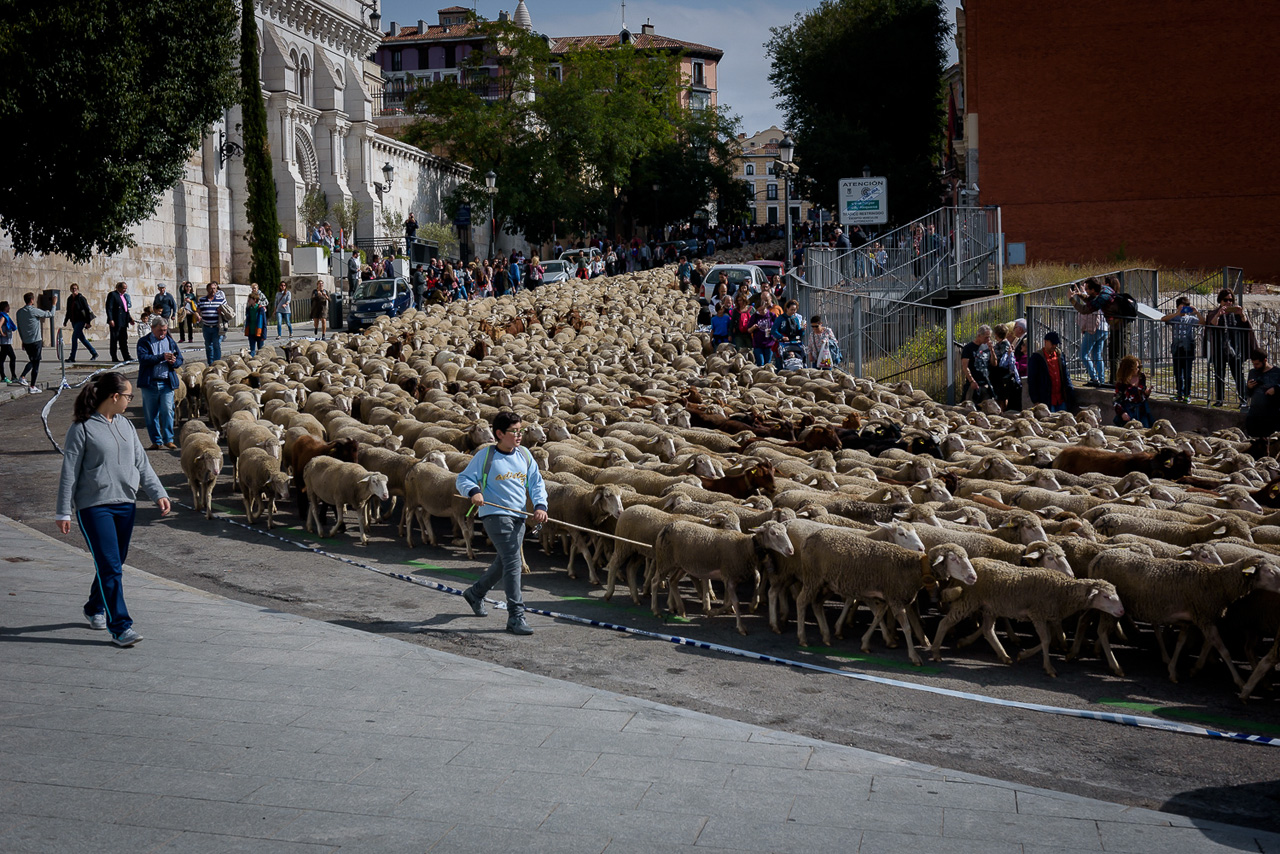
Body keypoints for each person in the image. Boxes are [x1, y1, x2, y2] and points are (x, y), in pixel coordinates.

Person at [55, 372, 170, 648]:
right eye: (128, 396)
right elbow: (69, 471)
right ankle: (120, 626)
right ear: (114, 397)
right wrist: (63, 511)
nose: (131, 401)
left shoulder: (127, 426)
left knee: (114, 563)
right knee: (110, 566)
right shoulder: (82, 428)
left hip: (125, 505)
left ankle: (94, 606)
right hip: (94, 507)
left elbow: (141, 464)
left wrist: (158, 493)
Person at [456, 412, 548, 636]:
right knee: (514, 562)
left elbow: (536, 482)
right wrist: (474, 491)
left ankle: (476, 593)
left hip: (518, 516)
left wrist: (540, 506)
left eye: (521, 431)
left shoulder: (525, 455)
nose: (519, 436)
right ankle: (516, 615)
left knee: (504, 561)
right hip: (494, 515)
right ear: (499, 434)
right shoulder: (485, 456)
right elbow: (463, 479)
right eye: (514, 432)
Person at [136, 315, 183, 449]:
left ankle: (168, 439)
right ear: (152, 328)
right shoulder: (144, 342)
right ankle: (156, 441)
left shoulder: (170, 341)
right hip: (150, 383)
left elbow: (180, 359)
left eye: (165, 330)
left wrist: (174, 362)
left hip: (166, 382)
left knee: (168, 410)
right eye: (160, 330)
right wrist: (161, 357)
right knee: (151, 414)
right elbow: (143, 359)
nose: (163, 333)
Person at [1203, 288, 1253, 407]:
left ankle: (1243, 400)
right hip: (1219, 349)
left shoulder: (1236, 314)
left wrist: (1241, 314)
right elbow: (1211, 325)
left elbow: (1246, 325)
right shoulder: (1214, 313)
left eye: (1231, 300)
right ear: (1220, 300)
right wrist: (1219, 314)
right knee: (1219, 375)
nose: (1228, 302)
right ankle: (1219, 400)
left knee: (1238, 376)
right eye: (1226, 300)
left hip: (1235, 349)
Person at [1161, 296, 1201, 402]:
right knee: (1177, 373)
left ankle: (1187, 394)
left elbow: (1202, 322)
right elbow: (1163, 319)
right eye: (1181, 307)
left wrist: (1196, 312)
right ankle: (1179, 393)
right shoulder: (1174, 318)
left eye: (1185, 307)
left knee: (1187, 374)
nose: (1183, 309)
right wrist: (1177, 313)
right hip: (1177, 349)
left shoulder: (1191, 319)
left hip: (1188, 349)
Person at [1027, 330, 1076, 413]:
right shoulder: (1036, 358)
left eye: (1056, 344)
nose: (1054, 346)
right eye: (1052, 343)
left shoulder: (1060, 356)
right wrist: (1035, 400)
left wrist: (1070, 391)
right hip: (1047, 399)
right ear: (1045, 342)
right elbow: (1032, 380)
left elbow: (1065, 375)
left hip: (1061, 399)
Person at [15, 292, 53, 392]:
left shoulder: (19, 312)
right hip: (36, 341)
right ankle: (31, 385)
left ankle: (24, 378)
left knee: (33, 360)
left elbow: (20, 327)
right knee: (35, 362)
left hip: (27, 341)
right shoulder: (33, 311)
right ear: (32, 300)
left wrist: (22, 340)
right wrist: (54, 304)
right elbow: (50, 314)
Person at [1245, 349, 1280, 438]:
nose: (1255, 366)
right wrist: (1249, 387)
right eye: (1253, 364)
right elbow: (1248, 394)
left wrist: (1276, 389)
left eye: (1257, 364)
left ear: (1265, 360)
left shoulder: (1277, 372)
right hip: (1255, 415)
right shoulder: (1253, 372)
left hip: (1272, 416)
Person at [1113, 354, 1154, 428]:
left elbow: (1142, 394)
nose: (1137, 369)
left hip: (1142, 411)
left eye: (1138, 367)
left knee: (1145, 429)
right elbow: (1116, 400)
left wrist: (1146, 393)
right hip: (1129, 412)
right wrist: (1122, 413)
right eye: (1135, 368)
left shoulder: (1141, 377)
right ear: (1128, 369)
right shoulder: (1121, 382)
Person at [1076, 296, 1109, 388]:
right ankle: (1101, 379)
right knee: (1097, 355)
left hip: (1094, 329)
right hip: (1104, 329)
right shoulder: (1102, 299)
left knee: (1083, 354)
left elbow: (1087, 314)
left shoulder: (1093, 302)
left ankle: (1094, 378)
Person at [63, 282, 99, 363]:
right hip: (73, 321)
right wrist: (65, 321)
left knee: (74, 338)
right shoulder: (69, 299)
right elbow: (68, 311)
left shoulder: (81, 298)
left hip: (81, 320)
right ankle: (94, 353)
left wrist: (88, 322)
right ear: (70, 289)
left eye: (75, 288)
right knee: (82, 338)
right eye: (72, 288)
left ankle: (72, 357)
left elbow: (87, 310)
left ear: (77, 289)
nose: (74, 290)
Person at [990, 323, 1021, 411]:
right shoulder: (1002, 344)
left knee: (1002, 397)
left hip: (1002, 373)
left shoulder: (1004, 345)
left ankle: (1003, 412)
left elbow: (1002, 360)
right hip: (998, 373)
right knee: (999, 396)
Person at [960, 325, 994, 403]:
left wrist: (992, 350)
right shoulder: (968, 348)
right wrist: (971, 381)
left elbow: (993, 363)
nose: (988, 339)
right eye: (986, 337)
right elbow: (965, 367)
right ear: (979, 336)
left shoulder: (986, 347)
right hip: (973, 384)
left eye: (989, 337)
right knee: (969, 407)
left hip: (985, 383)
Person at [196, 282, 226, 363]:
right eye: (211, 288)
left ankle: (217, 363)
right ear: (207, 289)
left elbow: (227, 312)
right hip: (206, 327)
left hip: (216, 327)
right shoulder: (202, 300)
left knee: (216, 345)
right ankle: (210, 363)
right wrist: (198, 316)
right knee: (208, 346)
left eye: (214, 288)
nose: (213, 291)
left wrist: (222, 312)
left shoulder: (221, 300)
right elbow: (197, 311)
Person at [105, 281, 134, 362]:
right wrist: (110, 319)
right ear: (119, 287)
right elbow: (109, 308)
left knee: (123, 339)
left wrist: (130, 319)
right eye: (124, 288)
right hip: (116, 321)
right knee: (114, 339)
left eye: (126, 288)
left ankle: (126, 356)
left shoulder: (124, 296)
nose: (125, 290)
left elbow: (125, 309)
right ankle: (114, 357)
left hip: (123, 321)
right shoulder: (113, 295)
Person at [772, 299, 804, 365]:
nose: (793, 311)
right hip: (783, 344)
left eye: (795, 310)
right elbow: (773, 330)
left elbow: (799, 332)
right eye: (791, 309)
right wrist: (782, 337)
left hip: (794, 344)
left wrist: (802, 330)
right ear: (787, 308)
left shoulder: (795, 319)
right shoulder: (780, 318)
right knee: (781, 361)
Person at [0, 301, 15, 383]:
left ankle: (12, 376)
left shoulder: (4, 316)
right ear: (4, 307)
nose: (9, 307)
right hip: (5, 342)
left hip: (6, 342)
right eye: (7, 306)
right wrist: (2, 333)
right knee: (6, 359)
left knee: (11, 357)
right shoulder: (3, 317)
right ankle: (4, 377)